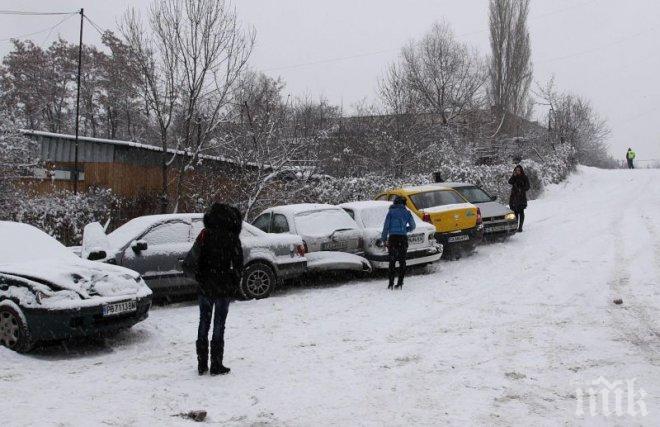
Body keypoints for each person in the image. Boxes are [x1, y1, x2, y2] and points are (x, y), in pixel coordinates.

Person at [183, 203, 244, 376]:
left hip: (205, 287)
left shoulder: (204, 235)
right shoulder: (232, 237)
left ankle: (202, 363)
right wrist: (233, 282)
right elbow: (239, 264)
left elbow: (192, 260)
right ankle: (216, 364)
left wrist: (201, 278)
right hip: (223, 288)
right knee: (219, 325)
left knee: (204, 322)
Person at [381, 196, 416, 290]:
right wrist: (405, 229)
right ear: (404, 204)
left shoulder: (390, 212)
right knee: (402, 261)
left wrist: (384, 239)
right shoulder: (407, 212)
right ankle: (400, 283)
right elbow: (413, 226)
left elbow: (386, 227)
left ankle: (390, 283)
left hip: (393, 238)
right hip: (403, 238)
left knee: (392, 261)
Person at [508, 165, 530, 232]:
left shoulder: (524, 177)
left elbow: (528, 186)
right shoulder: (514, 177)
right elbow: (510, 182)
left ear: (521, 171)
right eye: (516, 170)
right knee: (515, 212)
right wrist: (513, 176)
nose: (517, 171)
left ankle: (520, 227)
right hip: (514, 197)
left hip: (521, 197)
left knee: (521, 211)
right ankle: (515, 227)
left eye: (518, 170)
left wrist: (522, 189)